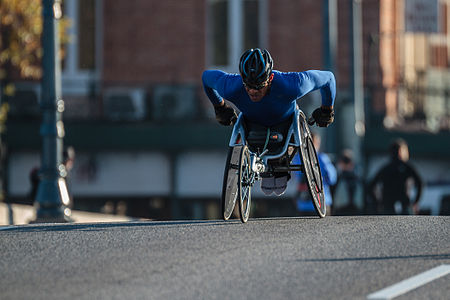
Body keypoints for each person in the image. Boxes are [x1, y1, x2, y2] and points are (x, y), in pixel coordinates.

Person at [202, 48, 336, 195]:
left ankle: (281, 159)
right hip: (252, 126)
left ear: (270, 78)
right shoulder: (231, 86)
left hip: (285, 126)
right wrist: (220, 107)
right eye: (248, 86)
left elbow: (328, 78)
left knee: (284, 137)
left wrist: (327, 109)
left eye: (258, 87)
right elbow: (206, 77)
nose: (252, 91)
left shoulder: (292, 84)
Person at [368, 139, 423, 215]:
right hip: (401, 206)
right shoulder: (406, 168)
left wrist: (378, 202)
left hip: (389, 206)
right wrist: (415, 202)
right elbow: (420, 183)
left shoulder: (386, 168)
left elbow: (371, 186)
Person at [293, 133, 337, 215]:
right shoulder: (322, 158)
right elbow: (332, 179)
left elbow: (297, 177)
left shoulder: (297, 158)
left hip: (303, 203)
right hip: (322, 203)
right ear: (316, 143)